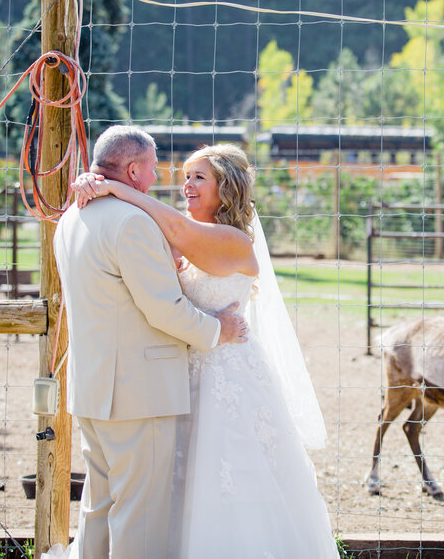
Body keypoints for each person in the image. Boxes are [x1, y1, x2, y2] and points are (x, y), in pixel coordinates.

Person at [70, 143, 339, 558]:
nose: (186, 184)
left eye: (199, 177)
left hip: (227, 373)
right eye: (185, 176)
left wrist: (113, 187)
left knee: (225, 478)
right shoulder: (183, 235)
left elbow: (174, 229)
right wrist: (100, 183)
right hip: (179, 376)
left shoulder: (234, 242)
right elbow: (163, 235)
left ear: (225, 188)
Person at [52, 127, 249, 559]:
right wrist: (218, 329)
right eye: (154, 167)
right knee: (140, 516)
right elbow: (164, 309)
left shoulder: (71, 218)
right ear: (134, 169)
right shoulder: (132, 223)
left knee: (98, 508)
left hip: (91, 391)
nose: (160, 175)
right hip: (138, 393)